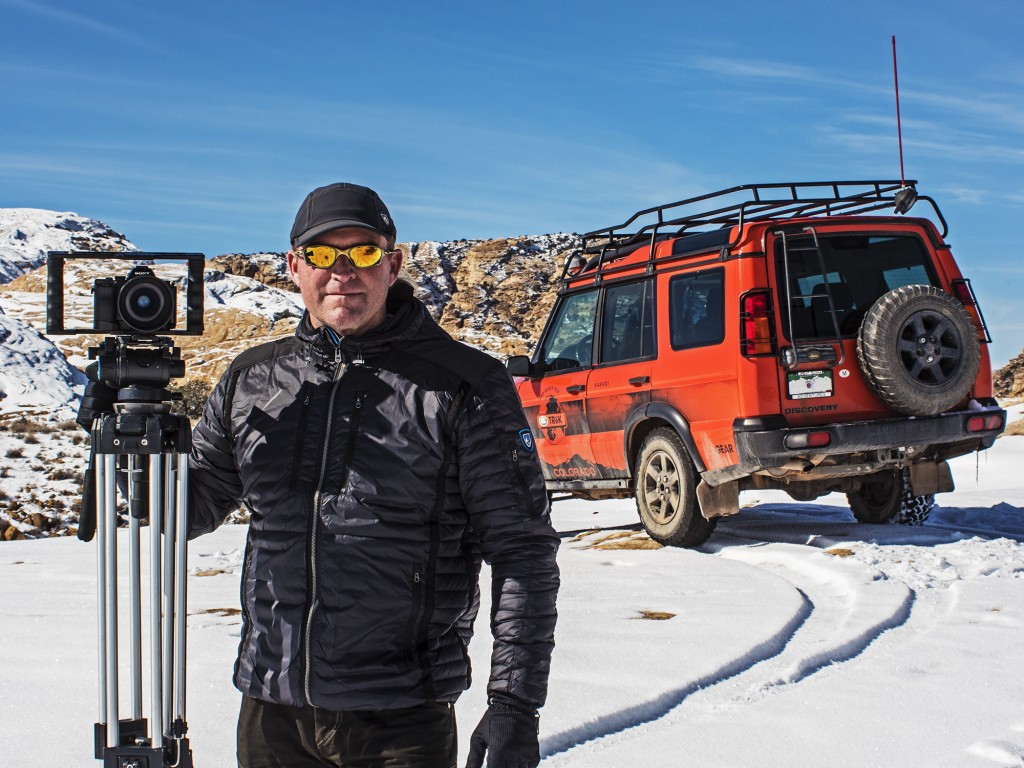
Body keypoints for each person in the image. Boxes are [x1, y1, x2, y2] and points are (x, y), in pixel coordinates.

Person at [78, 182, 560, 768]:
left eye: (362, 253)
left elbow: (522, 550)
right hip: (271, 709)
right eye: (322, 254)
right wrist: (129, 437)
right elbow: (185, 511)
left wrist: (514, 703)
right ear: (294, 266)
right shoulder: (253, 380)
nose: (342, 272)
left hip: (402, 715)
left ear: (394, 263)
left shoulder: (465, 385)